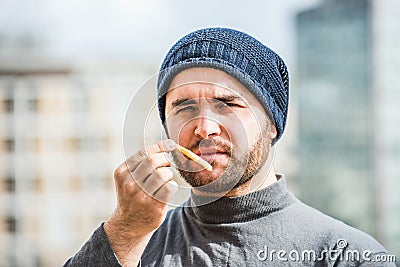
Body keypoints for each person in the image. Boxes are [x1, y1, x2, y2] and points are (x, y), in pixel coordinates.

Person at [64, 28, 395, 266]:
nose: (204, 128)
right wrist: (125, 231)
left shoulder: (344, 255)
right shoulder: (134, 244)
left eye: (227, 104)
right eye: (184, 108)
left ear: (273, 124)